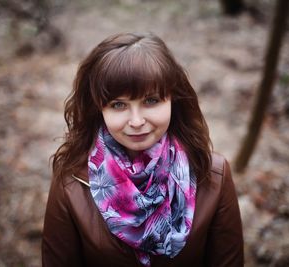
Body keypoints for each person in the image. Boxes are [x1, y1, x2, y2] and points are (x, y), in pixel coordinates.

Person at [42, 32, 243, 267]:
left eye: (151, 101)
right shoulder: (72, 180)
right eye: (118, 105)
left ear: (173, 100)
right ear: (99, 109)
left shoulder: (213, 175)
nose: (136, 121)